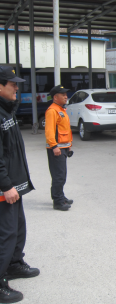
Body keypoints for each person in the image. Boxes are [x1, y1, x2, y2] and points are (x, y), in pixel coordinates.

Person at [0, 65, 39, 303]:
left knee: (18, 228)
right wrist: (6, 185)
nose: (17, 87)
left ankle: (14, 264)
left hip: (15, 185)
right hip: (5, 188)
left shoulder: (7, 111)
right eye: (12, 83)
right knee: (5, 234)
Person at [45, 85, 74, 211]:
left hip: (63, 147)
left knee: (62, 174)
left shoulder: (61, 109)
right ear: (55, 97)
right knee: (59, 176)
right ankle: (58, 201)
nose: (66, 96)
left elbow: (65, 130)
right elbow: (49, 131)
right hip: (56, 149)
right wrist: (54, 146)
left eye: (66, 94)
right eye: (63, 95)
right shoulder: (52, 111)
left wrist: (68, 146)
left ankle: (60, 196)